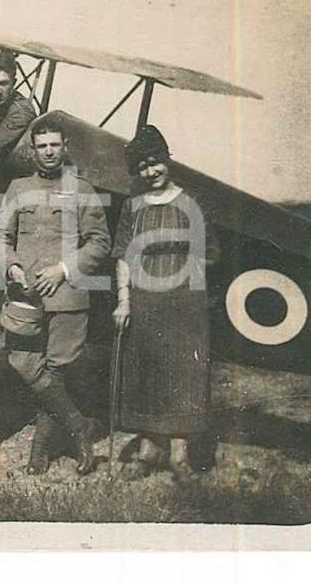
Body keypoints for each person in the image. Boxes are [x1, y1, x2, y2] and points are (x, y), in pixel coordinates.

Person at [0, 113, 111, 475]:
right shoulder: (17, 188)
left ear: (65, 147)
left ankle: (39, 451)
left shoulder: (83, 189)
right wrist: (9, 264)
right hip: (25, 295)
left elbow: (100, 242)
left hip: (68, 296)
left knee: (56, 370)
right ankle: (79, 427)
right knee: (22, 361)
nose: (48, 152)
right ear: (33, 150)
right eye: (41, 146)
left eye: (54, 145)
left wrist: (63, 270)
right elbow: (0, 234)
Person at [111, 125, 220, 482]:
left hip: (184, 301)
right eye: (142, 166)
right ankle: (148, 449)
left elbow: (208, 254)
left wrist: (190, 296)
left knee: (183, 374)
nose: (150, 172)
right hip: (143, 302)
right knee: (146, 373)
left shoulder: (193, 202)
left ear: (166, 160)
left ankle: (179, 455)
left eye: (155, 162)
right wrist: (124, 301)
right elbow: (123, 256)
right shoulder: (132, 207)